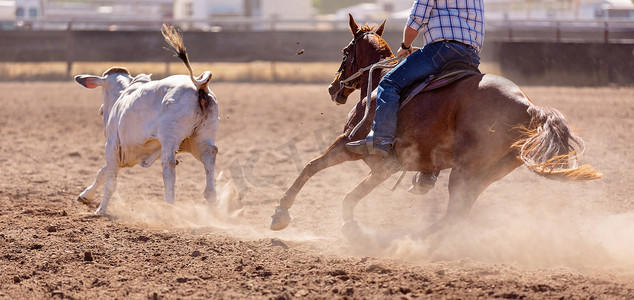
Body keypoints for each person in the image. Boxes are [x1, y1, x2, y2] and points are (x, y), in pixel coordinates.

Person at [346, 0, 484, 193]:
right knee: (440, 98)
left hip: (441, 50)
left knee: (389, 83)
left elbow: (416, 21)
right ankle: (430, 171)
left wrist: (405, 45)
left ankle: (382, 140)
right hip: (471, 56)